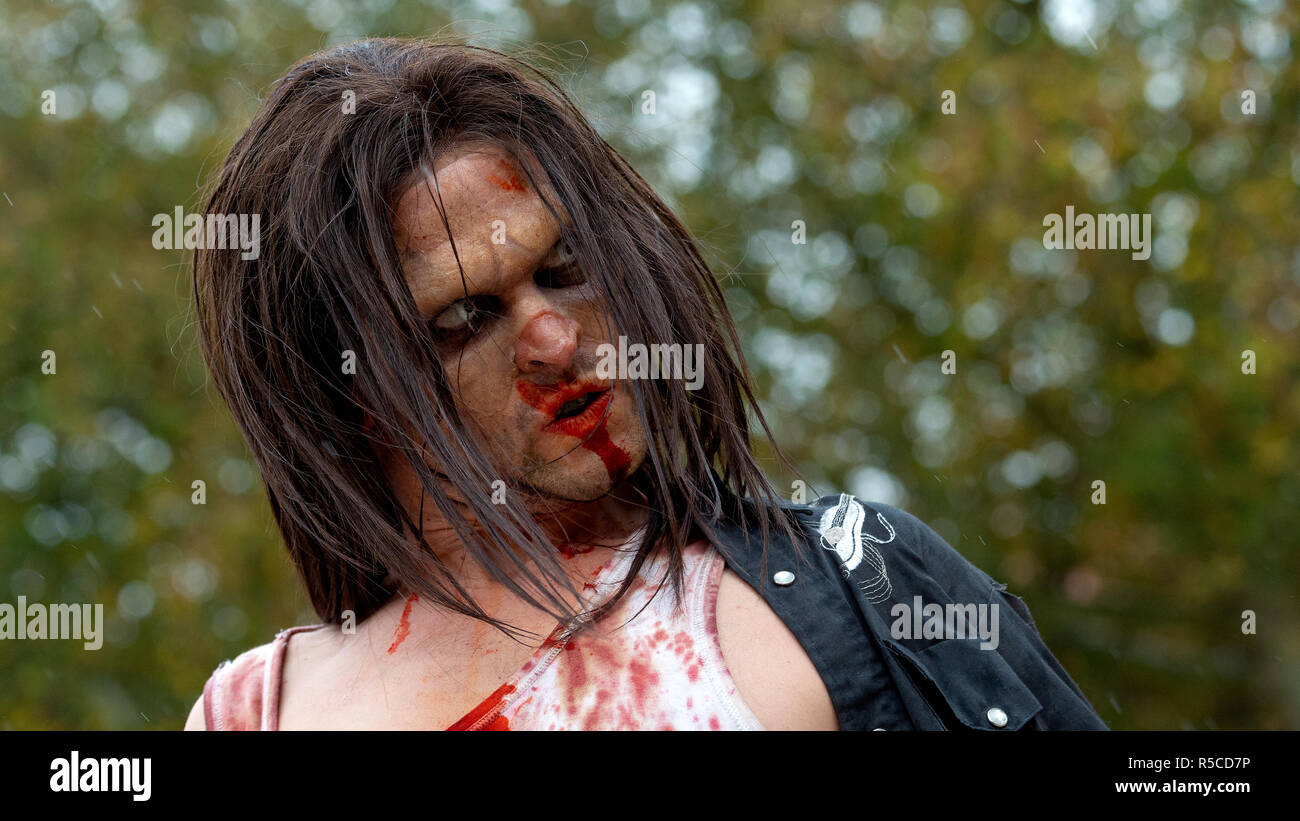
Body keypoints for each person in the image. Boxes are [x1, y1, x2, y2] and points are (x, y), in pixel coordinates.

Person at [185, 38, 1105, 731]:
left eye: (567, 266)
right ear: (347, 394)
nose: (552, 335)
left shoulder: (853, 588)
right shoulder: (259, 712)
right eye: (463, 318)